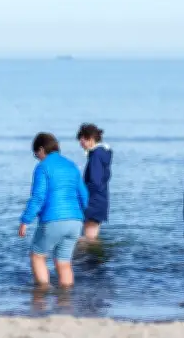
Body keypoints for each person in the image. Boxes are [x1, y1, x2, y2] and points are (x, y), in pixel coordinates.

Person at [18, 132, 89, 288]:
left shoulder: (42, 167)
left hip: (53, 219)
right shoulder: (72, 166)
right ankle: (66, 297)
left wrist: (25, 221)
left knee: (37, 256)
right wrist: (83, 218)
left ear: (41, 149)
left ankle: (42, 293)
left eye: (36, 154)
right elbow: (83, 195)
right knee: (64, 262)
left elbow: (38, 197)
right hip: (75, 221)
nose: (37, 158)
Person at [76, 123, 113, 242]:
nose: (80, 143)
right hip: (100, 200)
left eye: (82, 139)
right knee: (90, 238)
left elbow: (95, 182)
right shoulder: (101, 154)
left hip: (93, 202)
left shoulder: (96, 155)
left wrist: (81, 194)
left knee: (88, 239)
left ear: (91, 139)